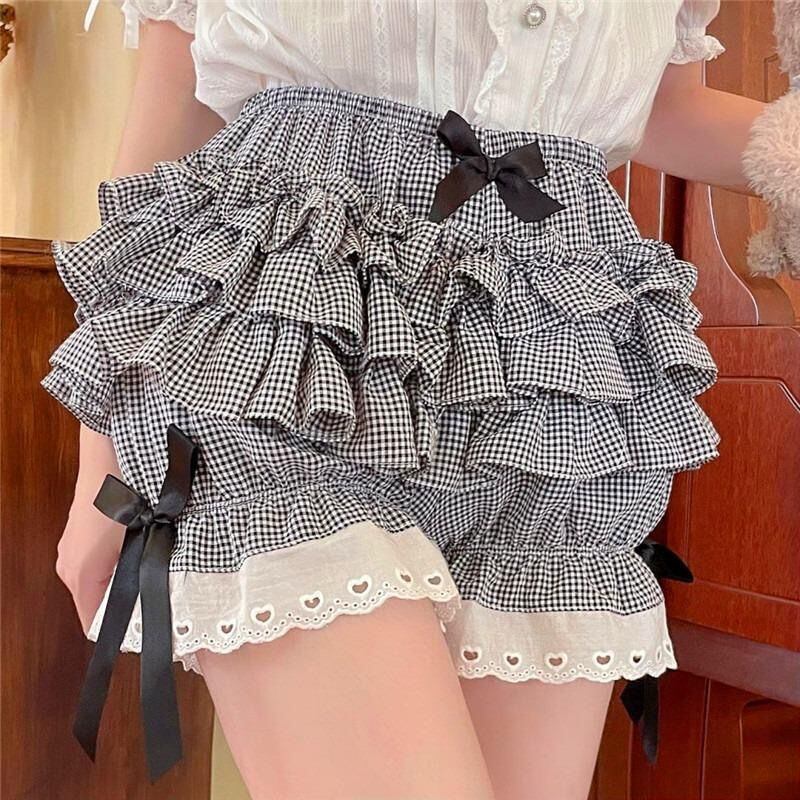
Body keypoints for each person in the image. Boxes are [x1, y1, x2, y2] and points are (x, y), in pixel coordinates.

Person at [48, 1, 768, 798]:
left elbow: (669, 109)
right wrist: (101, 451)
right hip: (298, 345)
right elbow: (171, 113)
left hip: (550, 370)